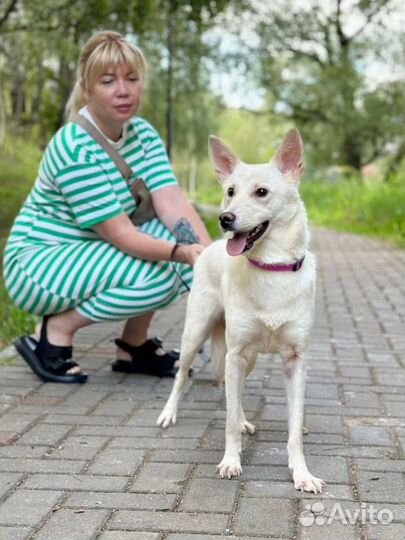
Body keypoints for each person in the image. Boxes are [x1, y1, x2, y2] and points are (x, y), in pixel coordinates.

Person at [2, 30, 211, 384]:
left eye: (132, 78)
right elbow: (121, 234)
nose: (123, 90)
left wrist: (213, 261)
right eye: (108, 81)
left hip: (87, 252)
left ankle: (134, 347)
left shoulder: (142, 134)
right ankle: (54, 333)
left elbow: (172, 202)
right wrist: (183, 254)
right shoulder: (73, 147)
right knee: (164, 271)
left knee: (188, 257)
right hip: (37, 263)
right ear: (87, 88)